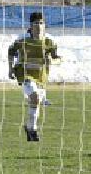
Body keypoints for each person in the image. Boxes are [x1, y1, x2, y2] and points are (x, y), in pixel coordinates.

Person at [8, 12, 61, 142]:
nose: (39, 26)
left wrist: (51, 61)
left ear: (45, 25)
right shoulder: (22, 39)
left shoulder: (50, 41)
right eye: (36, 23)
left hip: (41, 76)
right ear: (31, 26)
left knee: (35, 102)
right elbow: (11, 52)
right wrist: (10, 69)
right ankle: (34, 129)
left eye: (41, 23)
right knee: (35, 97)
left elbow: (57, 58)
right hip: (25, 74)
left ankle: (29, 127)